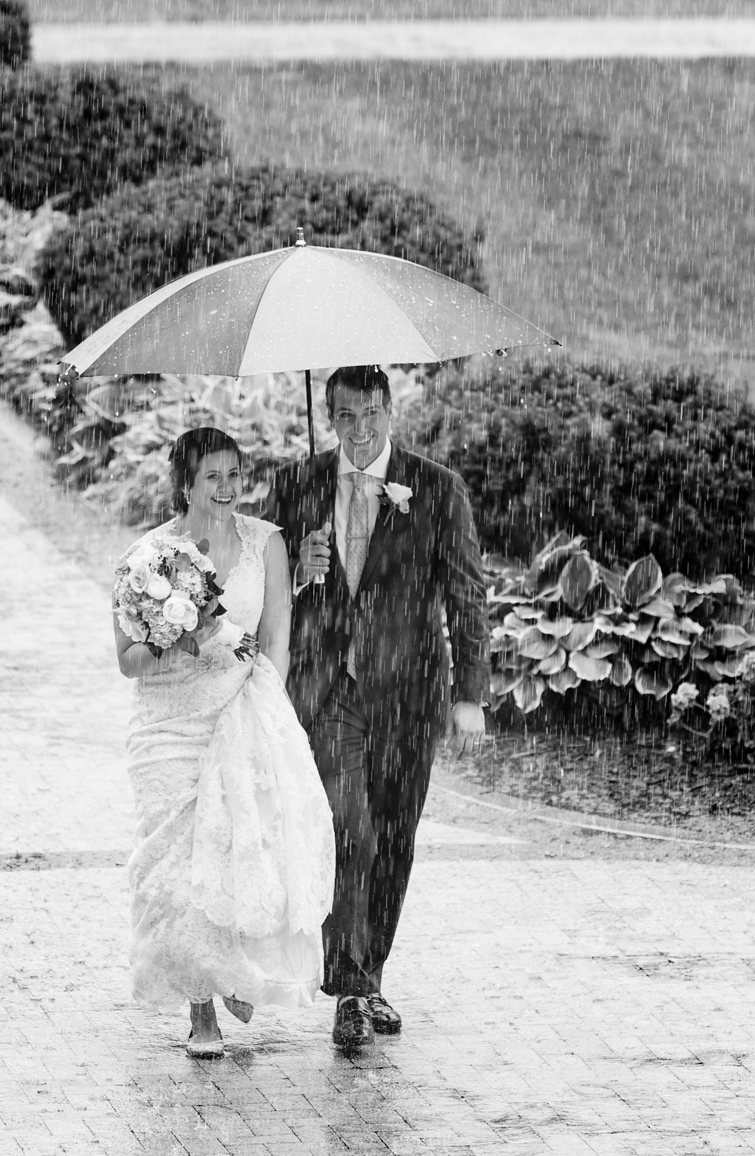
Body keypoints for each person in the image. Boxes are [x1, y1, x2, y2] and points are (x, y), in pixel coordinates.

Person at [267, 365, 490, 1050]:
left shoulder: (437, 488)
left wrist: (471, 698)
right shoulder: (297, 484)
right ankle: (352, 986)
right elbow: (265, 588)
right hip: (329, 688)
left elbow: (466, 596)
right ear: (329, 417)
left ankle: (372, 973)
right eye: (346, 417)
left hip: (408, 693)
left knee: (393, 837)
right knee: (347, 827)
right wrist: (300, 572)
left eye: (372, 415)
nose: (361, 431)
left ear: (391, 410)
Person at [115, 426, 335, 1058]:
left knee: (244, 851)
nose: (227, 487)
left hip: (240, 710)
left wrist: (270, 705)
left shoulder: (266, 542)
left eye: (235, 474)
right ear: (184, 483)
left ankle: (237, 968)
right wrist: (173, 637)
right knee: (182, 871)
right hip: (168, 727)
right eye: (213, 476)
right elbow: (128, 661)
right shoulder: (146, 560)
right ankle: (201, 1007)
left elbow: (275, 638)